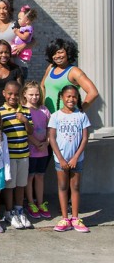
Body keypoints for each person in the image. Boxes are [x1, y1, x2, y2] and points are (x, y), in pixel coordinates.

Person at [49, 85, 90, 233]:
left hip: (76, 160)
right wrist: (60, 158)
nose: (71, 99)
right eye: (68, 96)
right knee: (62, 186)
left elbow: (85, 138)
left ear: (77, 98)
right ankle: (64, 218)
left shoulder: (81, 115)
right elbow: (52, 138)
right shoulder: (55, 116)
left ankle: (75, 218)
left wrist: (75, 157)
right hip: (61, 160)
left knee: (76, 187)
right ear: (62, 97)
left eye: (74, 96)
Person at [0, 81, 33, 230]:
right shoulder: (1, 112)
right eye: (10, 94)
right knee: (10, 185)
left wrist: (25, 121)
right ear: (4, 94)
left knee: (21, 184)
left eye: (16, 94)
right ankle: (9, 211)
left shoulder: (25, 110)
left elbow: (30, 131)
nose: (13, 97)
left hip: (24, 153)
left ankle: (19, 209)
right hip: (10, 155)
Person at [41, 39, 98, 113]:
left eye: (60, 52)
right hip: (48, 117)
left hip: (65, 119)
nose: (57, 56)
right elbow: (42, 86)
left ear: (68, 53)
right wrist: (40, 106)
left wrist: (79, 111)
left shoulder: (74, 71)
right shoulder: (51, 67)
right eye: (54, 54)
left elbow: (93, 92)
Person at [20, 81, 51, 219]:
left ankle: (40, 202)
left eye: (37, 94)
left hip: (43, 150)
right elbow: (24, 131)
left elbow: (50, 128)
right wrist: (36, 143)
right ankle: (31, 202)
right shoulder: (23, 110)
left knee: (40, 176)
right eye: (31, 94)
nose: (34, 97)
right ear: (25, 94)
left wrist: (47, 142)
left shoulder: (44, 110)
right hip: (30, 150)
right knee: (30, 176)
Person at [0, 0, 33, 73]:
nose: (1, 12)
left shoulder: (17, 25)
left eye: (5, 8)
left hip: (18, 67)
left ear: (9, 10)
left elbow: (33, 41)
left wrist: (22, 46)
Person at [12, 5, 37, 79]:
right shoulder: (24, 27)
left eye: (20, 19)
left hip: (22, 50)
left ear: (27, 20)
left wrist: (17, 32)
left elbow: (24, 37)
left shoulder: (28, 28)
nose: (18, 20)